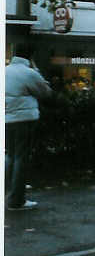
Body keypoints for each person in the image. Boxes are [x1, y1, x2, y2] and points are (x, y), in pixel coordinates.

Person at [5, 47, 52, 210]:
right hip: (24, 120)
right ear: (30, 57)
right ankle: (16, 200)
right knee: (20, 158)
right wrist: (36, 68)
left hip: (5, 119)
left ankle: (8, 191)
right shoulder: (29, 73)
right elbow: (46, 92)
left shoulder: (5, 70)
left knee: (9, 156)